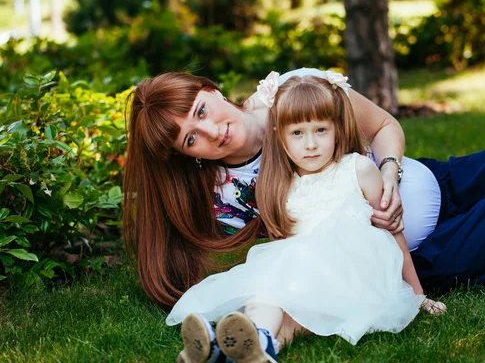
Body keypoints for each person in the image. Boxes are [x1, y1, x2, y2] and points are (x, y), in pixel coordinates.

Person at [123, 68, 485, 334]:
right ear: (189, 157)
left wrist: (390, 174)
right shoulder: (225, 195)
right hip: (420, 253)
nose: (209, 132)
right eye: (190, 140)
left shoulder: (296, 96)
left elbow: (385, 127)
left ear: (212, 90)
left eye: (200, 112)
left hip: (447, 181)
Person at [167, 74, 443, 363]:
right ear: (280, 137)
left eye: (320, 130)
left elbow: (393, 232)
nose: (310, 144)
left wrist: (417, 295)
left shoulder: (358, 169)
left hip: (354, 275)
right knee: (267, 295)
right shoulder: (282, 187)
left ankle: (229, 352)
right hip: (306, 278)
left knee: (292, 305)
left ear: (337, 128)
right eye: (297, 133)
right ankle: (255, 344)